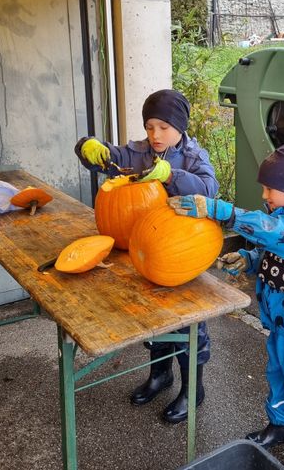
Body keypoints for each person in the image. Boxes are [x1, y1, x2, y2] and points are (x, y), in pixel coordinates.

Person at [167, 142, 284, 470]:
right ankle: (281, 426)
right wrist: (249, 259)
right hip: (282, 320)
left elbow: (281, 236)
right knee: (279, 374)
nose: (264, 195)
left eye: (270, 188)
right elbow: (278, 252)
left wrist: (222, 211)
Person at [75, 89, 218, 424]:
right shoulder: (138, 153)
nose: (155, 135)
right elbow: (109, 157)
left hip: (185, 252)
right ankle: (160, 375)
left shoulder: (195, 155)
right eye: (150, 126)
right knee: (155, 320)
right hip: (148, 251)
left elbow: (209, 189)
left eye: (163, 127)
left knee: (189, 322)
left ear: (179, 127)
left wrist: (170, 175)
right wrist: (86, 146)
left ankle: (193, 388)